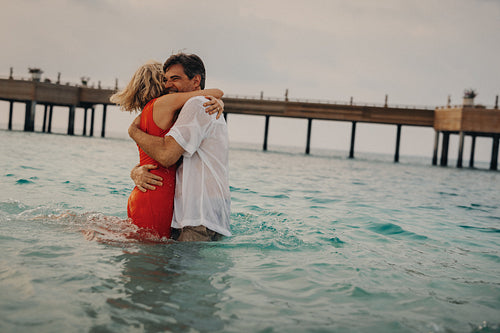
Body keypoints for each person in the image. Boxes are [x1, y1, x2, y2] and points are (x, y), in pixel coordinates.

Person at [110, 60, 224, 239]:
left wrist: (132, 134)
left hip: (145, 192)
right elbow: (165, 156)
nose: (168, 84)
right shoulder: (166, 104)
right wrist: (216, 98)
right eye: (166, 79)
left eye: (173, 79)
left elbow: (155, 153)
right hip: (158, 195)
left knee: (141, 250)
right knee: (152, 258)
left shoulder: (149, 113)